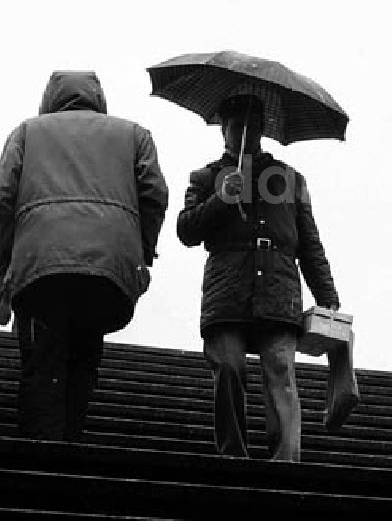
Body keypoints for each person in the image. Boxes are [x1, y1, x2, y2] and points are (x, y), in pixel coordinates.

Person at [0, 70, 168, 441]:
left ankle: (41, 458)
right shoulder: (134, 135)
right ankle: (71, 444)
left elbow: (3, 197)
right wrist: (142, 251)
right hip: (107, 271)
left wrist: (3, 266)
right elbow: (154, 194)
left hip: (40, 267)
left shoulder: (28, 132)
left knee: (43, 362)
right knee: (83, 356)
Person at [177, 92, 339, 462]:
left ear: (261, 129)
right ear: (224, 130)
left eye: (248, 125)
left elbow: (308, 242)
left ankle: (286, 459)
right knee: (229, 367)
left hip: (279, 288)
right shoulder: (207, 176)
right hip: (227, 290)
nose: (241, 133)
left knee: (280, 369)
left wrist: (327, 295)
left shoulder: (288, 178)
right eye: (234, 125)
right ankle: (233, 455)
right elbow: (186, 231)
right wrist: (221, 197)